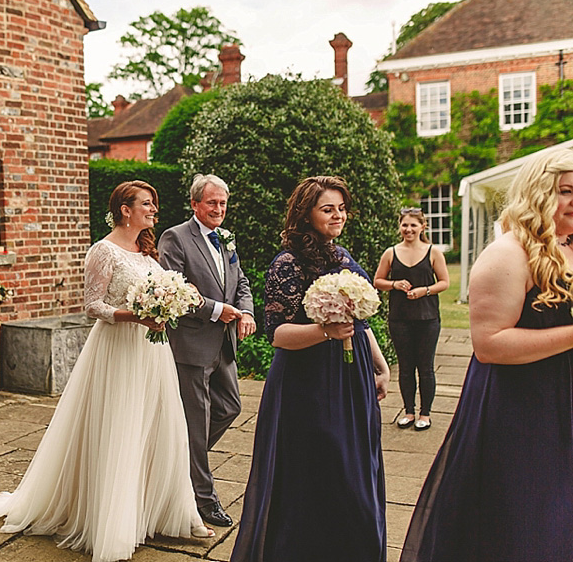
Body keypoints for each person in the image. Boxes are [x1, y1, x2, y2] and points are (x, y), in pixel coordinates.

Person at [0, 181, 214, 562]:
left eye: (154, 203)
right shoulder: (103, 251)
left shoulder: (147, 253)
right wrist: (135, 315)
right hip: (117, 350)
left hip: (152, 353)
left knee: (161, 426)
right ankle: (114, 520)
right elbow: (92, 305)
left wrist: (172, 305)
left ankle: (177, 513)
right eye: (146, 204)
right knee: (120, 428)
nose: (153, 210)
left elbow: (164, 291)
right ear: (124, 210)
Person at [400, 149, 573, 562]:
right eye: (566, 191)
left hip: (563, 402)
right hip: (523, 410)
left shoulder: (567, 247)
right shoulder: (508, 254)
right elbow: (490, 343)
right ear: (539, 191)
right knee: (526, 521)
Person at [231, 176, 390, 562]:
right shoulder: (288, 262)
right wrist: (325, 331)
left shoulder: (343, 255)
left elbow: (359, 321)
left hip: (351, 379)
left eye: (341, 208)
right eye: (327, 209)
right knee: (322, 471)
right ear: (307, 214)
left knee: (356, 470)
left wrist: (379, 364)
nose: (338, 215)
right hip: (309, 384)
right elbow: (279, 333)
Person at [157, 173, 256, 528]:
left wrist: (245, 311)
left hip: (223, 343)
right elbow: (173, 289)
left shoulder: (226, 239)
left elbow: (240, 281)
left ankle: (180, 462)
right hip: (192, 344)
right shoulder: (175, 237)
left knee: (230, 407)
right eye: (212, 202)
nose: (219, 209)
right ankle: (204, 498)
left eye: (223, 203)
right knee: (196, 425)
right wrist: (217, 309)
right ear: (196, 203)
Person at [373, 208, 449, 431]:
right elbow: (378, 280)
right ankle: (408, 411)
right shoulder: (391, 253)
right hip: (399, 318)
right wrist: (394, 284)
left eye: (413, 225)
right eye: (405, 225)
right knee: (405, 368)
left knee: (425, 368)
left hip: (427, 318)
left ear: (422, 227)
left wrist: (424, 290)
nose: (408, 229)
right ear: (400, 227)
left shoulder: (433, 252)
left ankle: (425, 414)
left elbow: (444, 282)